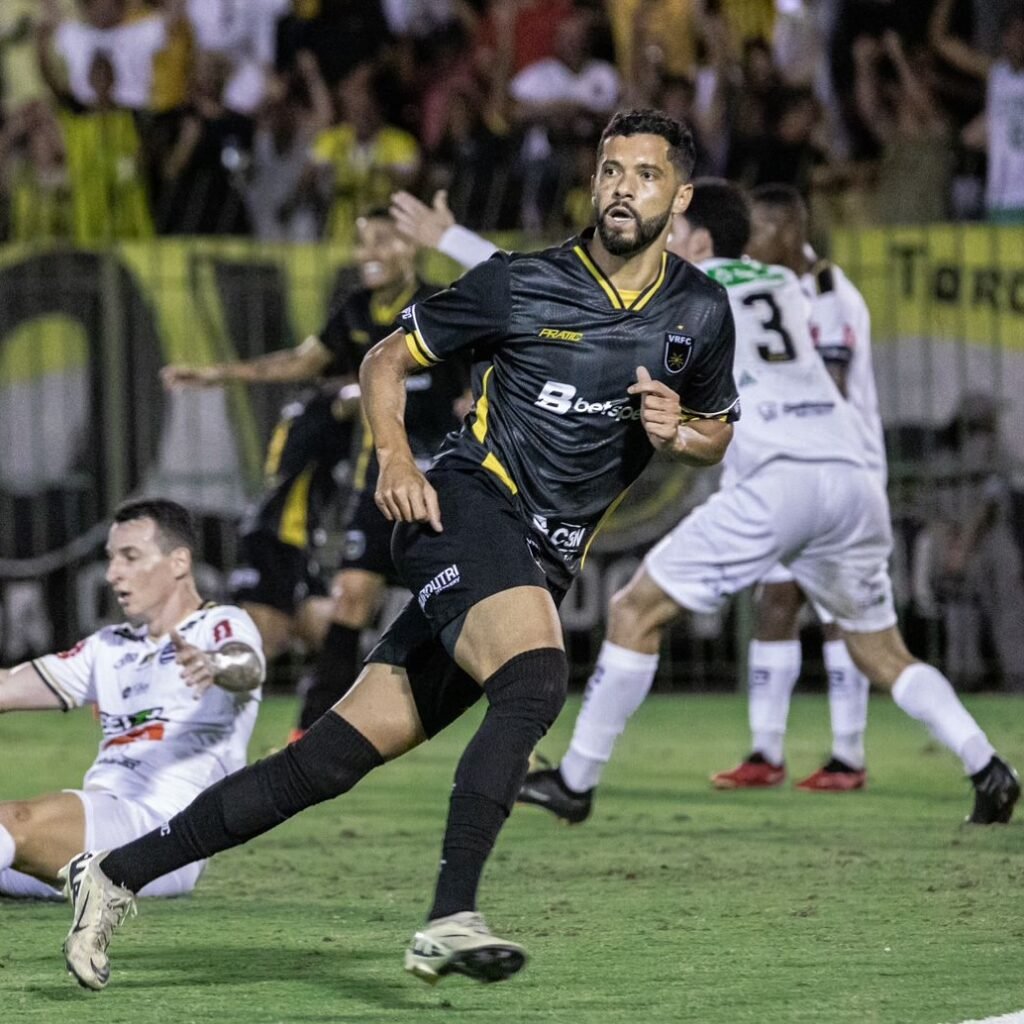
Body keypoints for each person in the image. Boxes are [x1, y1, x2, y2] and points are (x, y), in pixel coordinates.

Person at [58, 109, 739, 991]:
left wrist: (676, 430)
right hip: (458, 502)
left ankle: (113, 873)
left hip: (537, 557)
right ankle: (450, 917)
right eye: (611, 169)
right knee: (534, 680)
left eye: (644, 175)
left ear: (678, 197)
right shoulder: (520, 283)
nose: (621, 187)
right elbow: (386, 356)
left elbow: (716, 432)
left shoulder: (700, 309)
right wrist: (393, 454)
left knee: (326, 761)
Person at [517, 178, 1019, 829]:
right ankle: (987, 767)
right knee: (881, 651)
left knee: (633, 609)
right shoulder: (783, 282)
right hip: (851, 477)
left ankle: (576, 781)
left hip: (781, 479)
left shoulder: (681, 287)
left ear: (697, 239)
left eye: (671, 229)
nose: (659, 241)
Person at [161, 210, 439, 669]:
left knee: (457, 606)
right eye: (363, 242)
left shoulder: (437, 305)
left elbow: (479, 367)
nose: (369, 253)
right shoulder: (354, 313)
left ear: (413, 246)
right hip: (376, 485)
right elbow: (301, 362)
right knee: (341, 610)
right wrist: (217, 376)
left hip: (442, 475)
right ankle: (326, 729)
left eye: (384, 241)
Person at [0, 498, 265, 900]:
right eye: (111, 558)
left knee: (15, 822)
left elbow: (246, 665)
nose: (112, 574)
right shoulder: (109, 646)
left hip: (165, 839)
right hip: (101, 824)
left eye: (130, 557)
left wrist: (214, 665)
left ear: (178, 562)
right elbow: (7, 687)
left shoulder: (220, 624)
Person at [710, 182, 884, 792]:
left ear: (787, 230)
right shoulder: (767, 289)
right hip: (784, 472)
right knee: (776, 604)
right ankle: (765, 751)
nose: (748, 244)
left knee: (841, 612)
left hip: (839, 472)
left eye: (756, 231)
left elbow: (830, 389)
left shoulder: (830, 294)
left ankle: (848, 754)